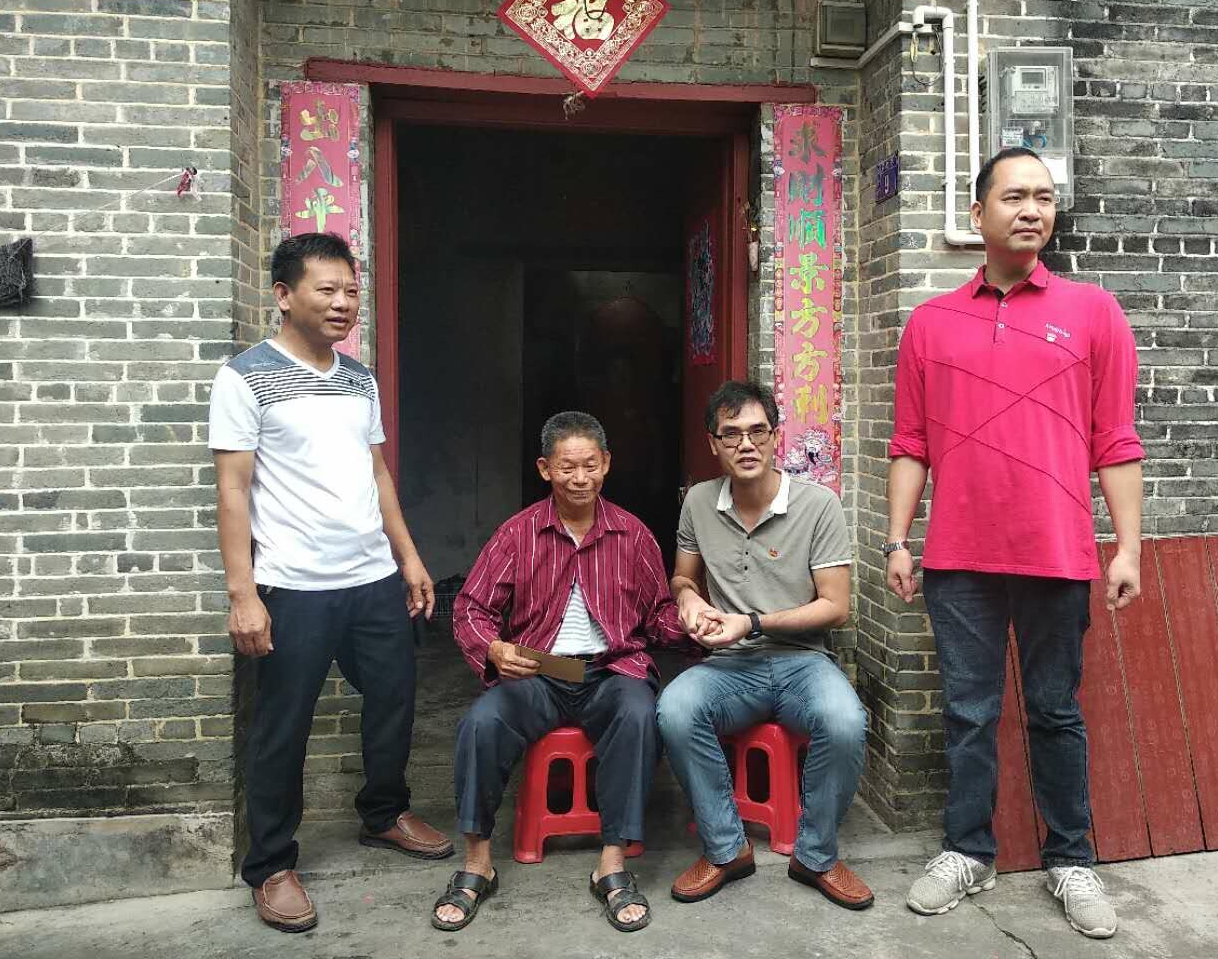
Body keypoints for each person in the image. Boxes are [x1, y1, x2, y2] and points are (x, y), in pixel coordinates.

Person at [887, 147, 1144, 939]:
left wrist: (1127, 547)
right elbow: (910, 443)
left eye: (1044, 197)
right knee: (968, 712)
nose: (1032, 209)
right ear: (978, 214)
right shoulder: (931, 322)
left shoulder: (1094, 312)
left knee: (1055, 711)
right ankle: (968, 851)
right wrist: (897, 539)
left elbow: (1116, 440)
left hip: (1057, 552)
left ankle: (1071, 859)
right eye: (1014, 196)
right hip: (957, 555)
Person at [209, 232, 452, 934]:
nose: (344, 303)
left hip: (371, 576)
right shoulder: (244, 378)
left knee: (394, 698)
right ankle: (271, 864)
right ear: (284, 295)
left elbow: (376, 473)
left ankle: (383, 813)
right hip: (293, 584)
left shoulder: (359, 379)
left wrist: (408, 557)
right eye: (328, 290)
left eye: (351, 290)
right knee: (283, 725)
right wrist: (243, 594)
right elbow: (232, 492)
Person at [433, 411, 693, 934]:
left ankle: (612, 864)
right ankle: (477, 862)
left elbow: (657, 616)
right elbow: (471, 607)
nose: (580, 478)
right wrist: (494, 648)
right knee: (482, 723)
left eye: (590, 466)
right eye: (567, 467)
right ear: (545, 469)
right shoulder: (519, 533)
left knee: (639, 714)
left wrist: (696, 622)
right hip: (541, 672)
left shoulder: (632, 534)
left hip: (612, 668)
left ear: (607, 464)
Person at [656, 381, 874, 912]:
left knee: (845, 721)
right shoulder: (699, 503)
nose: (746, 444)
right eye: (731, 434)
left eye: (758, 431)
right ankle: (726, 849)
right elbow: (682, 577)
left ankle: (816, 856)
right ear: (713, 444)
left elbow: (836, 606)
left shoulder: (818, 505)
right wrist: (689, 600)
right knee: (675, 709)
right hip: (731, 666)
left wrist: (751, 622)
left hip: (803, 661)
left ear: (777, 437)